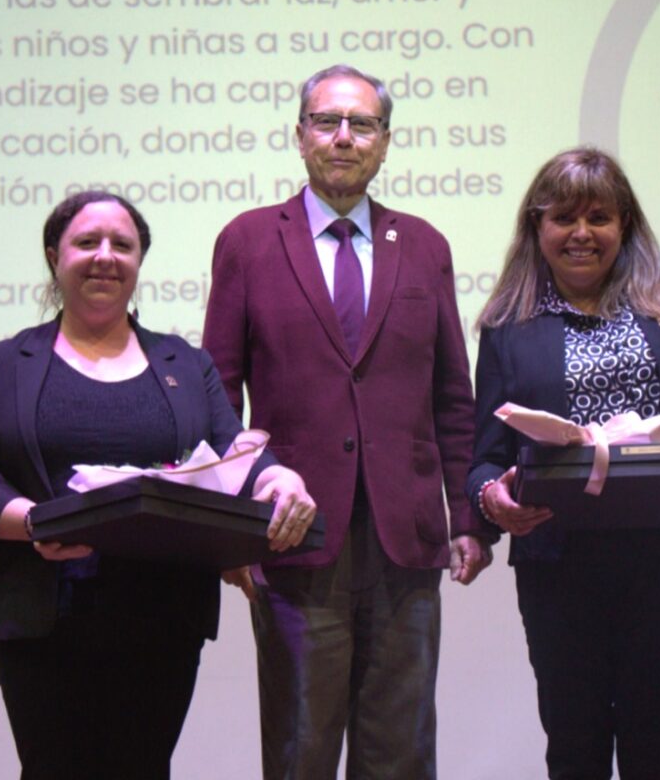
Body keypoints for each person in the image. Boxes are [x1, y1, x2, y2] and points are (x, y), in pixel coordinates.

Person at [0, 191, 316, 780]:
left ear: (140, 260)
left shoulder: (185, 364)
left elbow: (233, 451)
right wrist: (34, 523)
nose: (105, 257)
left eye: (123, 244)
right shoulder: (7, 362)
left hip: (163, 618)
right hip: (43, 616)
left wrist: (277, 474)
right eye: (86, 242)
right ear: (54, 256)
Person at [202, 64, 492, 779]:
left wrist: (466, 518)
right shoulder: (247, 240)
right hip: (293, 535)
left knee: (399, 754)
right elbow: (217, 396)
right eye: (327, 121)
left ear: (384, 142)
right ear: (299, 134)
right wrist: (227, 527)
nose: (343, 137)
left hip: (406, 539)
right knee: (300, 749)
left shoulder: (423, 245)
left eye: (362, 124)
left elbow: (452, 396)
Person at [468, 147, 660, 779]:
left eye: (599, 217)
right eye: (564, 218)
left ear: (626, 225)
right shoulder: (508, 325)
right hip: (558, 566)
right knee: (574, 744)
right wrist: (490, 500)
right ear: (537, 228)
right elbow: (485, 456)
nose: (582, 233)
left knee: (657, 741)